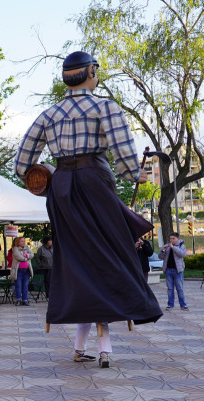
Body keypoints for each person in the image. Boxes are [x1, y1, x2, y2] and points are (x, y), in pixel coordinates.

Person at [15, 50, 162, 368]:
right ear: (92, 73)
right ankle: (108, 340)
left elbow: (23, 164)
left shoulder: (48, 114)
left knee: (76, 262)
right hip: (95, 181)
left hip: (62, 189)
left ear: (66, 78)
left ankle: (83, 345)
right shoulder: (105, 107)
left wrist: (51, 177)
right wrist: (141, 173)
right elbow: (125, 159)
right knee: (109, 255)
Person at [159, 232, 188, 311]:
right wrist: (163, 250)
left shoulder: (181, 246)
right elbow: (160, 257)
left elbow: (182, 254)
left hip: (177, 270)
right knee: (170, 289)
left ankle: (183, 305)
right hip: (168, 270)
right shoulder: (166, 246)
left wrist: (173, 248)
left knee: (180, 288)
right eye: (170, 238)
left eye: (173, 238)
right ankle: (170, 305)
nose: (171, 240)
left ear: (177, 239)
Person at [11, 237, 34, 306]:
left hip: (27, 270)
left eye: (24, 241)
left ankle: (25, 300)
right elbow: (18, 257)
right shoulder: (15, 249)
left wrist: (26, 255)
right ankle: (18, 299)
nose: (23, 242)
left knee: (25, 285)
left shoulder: (27, 248)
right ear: (18, 242)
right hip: (18, 271)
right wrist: (26, 257)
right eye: (21, 241)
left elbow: (32, 255)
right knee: (18, 285)